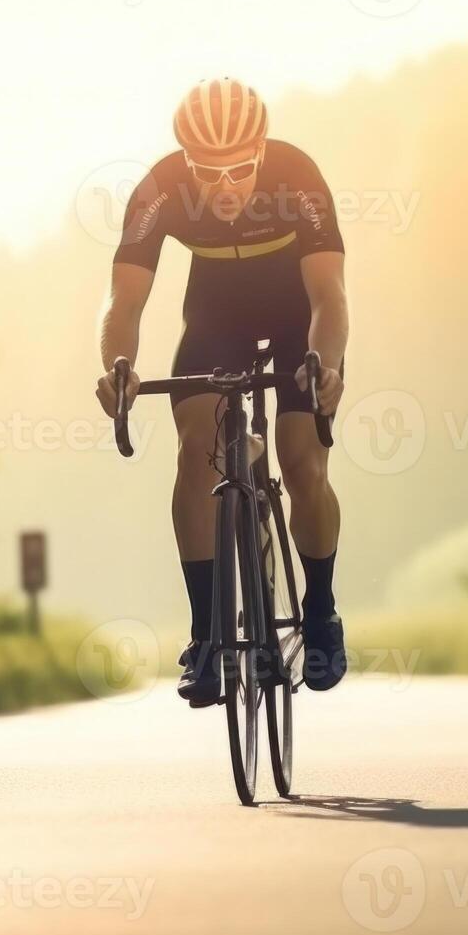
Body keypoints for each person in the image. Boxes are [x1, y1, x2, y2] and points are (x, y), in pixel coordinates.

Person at [95, 77, 349, 706]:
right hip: (215, 318)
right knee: (194, 451)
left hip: (298, 321)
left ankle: (320, 611)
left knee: (300, 458)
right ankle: (208, 635)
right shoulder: (159, 189)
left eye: (240, 168)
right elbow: (124, 300)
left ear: (261, 154)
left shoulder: (297, 176)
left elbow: (328, 295)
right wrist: (120, 365)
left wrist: (327, 364)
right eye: (209, 172)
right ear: (186, 163)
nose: (227, 185)